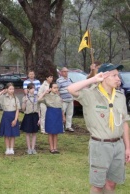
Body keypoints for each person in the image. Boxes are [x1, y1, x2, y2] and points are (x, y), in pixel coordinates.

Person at [67, 63, 130, 194]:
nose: (118, 79)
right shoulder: (90, 95)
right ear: (104, 77)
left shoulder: (120, 96)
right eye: (114, 75)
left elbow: (124, 123)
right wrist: (94, 79)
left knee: (112, 184)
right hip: (100, 145)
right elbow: (71, 89)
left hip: (118, 145)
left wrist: (127, 147)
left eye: (118, 75)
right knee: (98, 185)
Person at [0, 83, 20, 155]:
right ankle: (7, 148)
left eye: (13, 89)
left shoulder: (16, 98)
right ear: (7, 89)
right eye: (10, 89)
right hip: (6, 116)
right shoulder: (3, 97)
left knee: (12, 134)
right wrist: (2, 92)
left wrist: (15, 119)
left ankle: (11, 148)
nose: (12, 90)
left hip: (13, 116)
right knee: (6, 134)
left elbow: (17, 109)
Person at [38, 82, 65, 154]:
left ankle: (55, 148)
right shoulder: (47, 96)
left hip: (58, 114)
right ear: (51, 88)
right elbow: (38, 100)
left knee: (56, 132)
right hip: (51, 113)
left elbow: (61, 107)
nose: (56, 89)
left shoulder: (58, 96)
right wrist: (44, 92)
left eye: (57, 88)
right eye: (54, 88)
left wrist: (63, 116)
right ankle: (51, 148)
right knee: (50, 132)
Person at [20, 83, 40, 154]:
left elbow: (38, 109)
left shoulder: (36, 97)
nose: (33, 90)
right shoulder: (25, 97)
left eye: (34, 88)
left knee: (34, 133)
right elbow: (23, 109)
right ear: (28, 89)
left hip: (35, 115)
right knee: (28, 133)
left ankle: (33, 148)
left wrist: (39, 118)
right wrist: (24, 103)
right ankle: (28, 148)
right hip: (28, 116)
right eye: (31, 88)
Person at [56, 67, 74, 132]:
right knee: (62, 113)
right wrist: (60, 98)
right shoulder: (59, 80)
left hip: (70, 99)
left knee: (70, 114)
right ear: (61, 72)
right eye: (64, 71)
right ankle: (61, 127)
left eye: (67, 71)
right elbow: (57, 90)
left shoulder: (69, 79)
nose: (66, 73)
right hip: (63, 100)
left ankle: (68, 126)